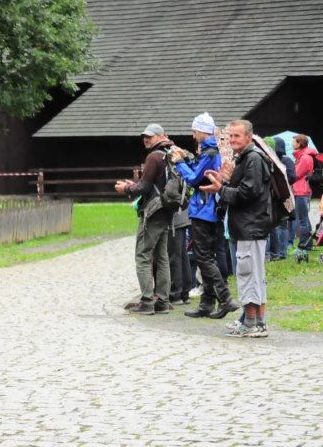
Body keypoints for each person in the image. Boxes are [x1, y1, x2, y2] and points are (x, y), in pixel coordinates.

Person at [200, 120, 272, 338]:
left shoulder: (253, 158)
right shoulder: (247, 157)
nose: (232, 140)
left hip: (250, 227)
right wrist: (223, 181)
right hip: (249, 227)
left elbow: (248, 193)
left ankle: (251, 323)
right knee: (254, 275)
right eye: (230, 136)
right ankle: (257, 322)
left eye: (237, 136)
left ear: (249, 137)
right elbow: (243, 188)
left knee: (248, 275)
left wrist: (220, 189)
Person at [173, 113, 239, 320]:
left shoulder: (209, 152)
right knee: (209, 256)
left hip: (204, 211)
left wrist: (179, 163)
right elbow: (200, 172)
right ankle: (207, 303)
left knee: (204, 257)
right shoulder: (214, 150)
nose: (194, 136)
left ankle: (225, 298)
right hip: (214, 209)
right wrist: (187, 159)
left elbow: (194, 179)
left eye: (195, 131)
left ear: (202, 131)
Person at [114, 124, 175, 315]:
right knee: (162, 257)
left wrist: (126, 189)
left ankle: (147, 301)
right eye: (144, 136)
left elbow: (145, 188)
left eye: (150, 136)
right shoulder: (171, 154)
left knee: (142, 256)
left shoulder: (154, 157)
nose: (146, 139)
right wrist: (136, 185)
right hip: (167, 210)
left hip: (153, 213)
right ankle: (163, 301)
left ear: (160, 136)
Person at [291, 134, 316, 251]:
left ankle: (302, 246)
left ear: (300, 143)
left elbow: (296, 174)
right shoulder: (301, 156)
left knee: (302, 220)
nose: (292, 143)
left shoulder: (305, 157)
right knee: (305, 218)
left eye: (294, 141)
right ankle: (308, 244)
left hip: (302, 191)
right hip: (301, 190)